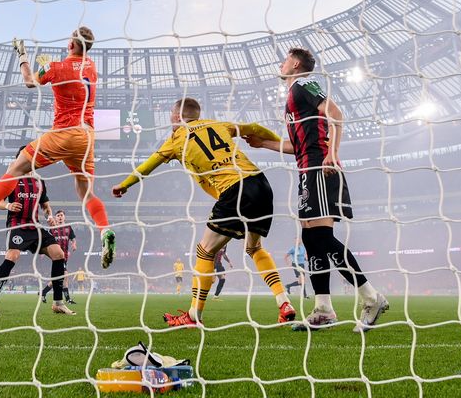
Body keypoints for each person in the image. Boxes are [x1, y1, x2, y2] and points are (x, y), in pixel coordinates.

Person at [113, 97, 296, 328]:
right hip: (260, 184)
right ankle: (284, 303)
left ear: (176, 116)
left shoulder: (176, 139)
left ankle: (193, 316)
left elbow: (147, 166)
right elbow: (255, 128)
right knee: (254, 248)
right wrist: (282, 144)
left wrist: (125, 185)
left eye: (171, 115)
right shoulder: (217, 124)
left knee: (205, 251)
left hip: (234, 190)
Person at [247, 48, 388, 332]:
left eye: (285, 59)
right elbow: (296, 146)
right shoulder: (293, 96)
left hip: (321, 169)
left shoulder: (303, 84)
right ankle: (324, 309)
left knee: (321, 238)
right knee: (311, 240)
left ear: (296, 64)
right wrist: (264, 144)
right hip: (307, 170)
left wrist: (332, 155)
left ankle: (372, 297)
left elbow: (336, 114)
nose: (281, 63)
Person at [0, 28, 116, 268]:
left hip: (63, 134)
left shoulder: (56, 67)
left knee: (15, 168)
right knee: (86, 194)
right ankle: (105, 230)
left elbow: (30, 81)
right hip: (87, 137)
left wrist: (23, 56)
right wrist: (48, 67)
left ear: (71, 44)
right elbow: (71, 75)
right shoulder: (91, 67)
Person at [0, 151, 74, 317]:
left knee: (59, 254)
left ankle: (58, 303)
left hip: (35, 226)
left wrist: (50, 216)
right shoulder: (11, 178)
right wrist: (8, 206)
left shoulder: (39, 181)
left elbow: (45, 206)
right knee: (12, 257)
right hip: (17, 225)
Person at [41, 210, 76, 304]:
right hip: (57, 256)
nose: (60, 217)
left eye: (61, 215)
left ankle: (43, 292)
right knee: (65, 275)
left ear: (64, 217)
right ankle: (68, 299)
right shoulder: (52, 229)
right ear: (55, 218)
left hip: (65, 256)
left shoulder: (68, 228)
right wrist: (43, 251)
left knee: (58, 278)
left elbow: (73, 238)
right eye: (58, 215)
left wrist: (74, 244)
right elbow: (46, 240)